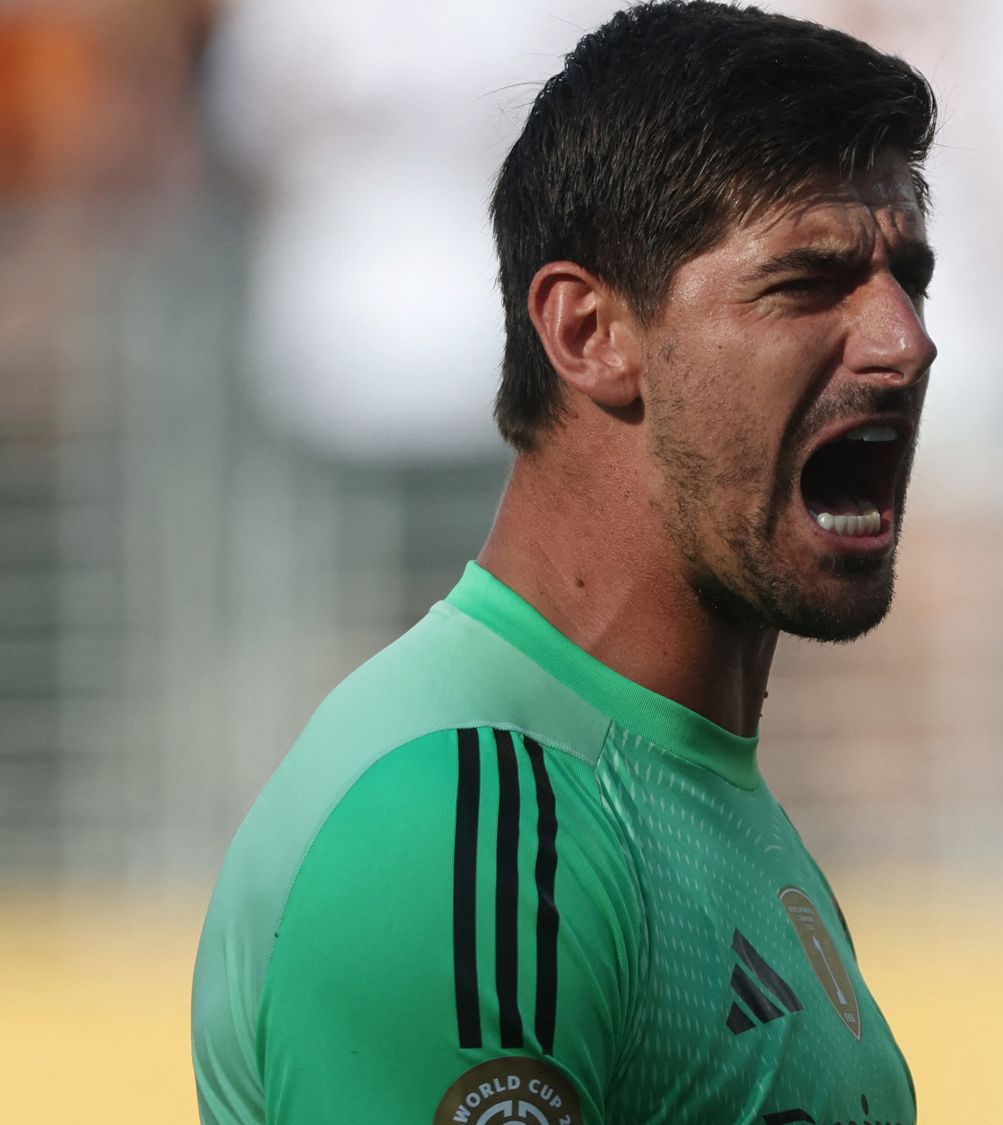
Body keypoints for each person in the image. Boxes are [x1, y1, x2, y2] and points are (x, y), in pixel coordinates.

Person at [191, 3, 938, 1122]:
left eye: (908, 278)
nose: (904, 341)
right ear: (588, 332)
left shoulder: (692, 790)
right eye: (808, 282)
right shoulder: (461, 824)